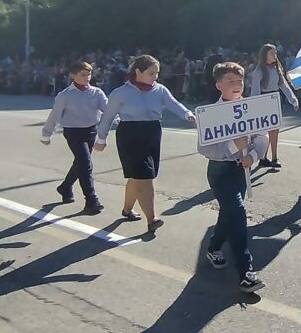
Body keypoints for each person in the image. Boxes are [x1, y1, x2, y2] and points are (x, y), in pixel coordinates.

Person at [95, 55, 196, 234]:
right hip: (130, 135)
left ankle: (127, 210)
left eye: (157, 73)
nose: (155, 77)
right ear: (138, 72)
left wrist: (187, 115)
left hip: (152, 133)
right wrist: (101, 139)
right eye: (151, 73)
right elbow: (107, 117)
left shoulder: (160, 90)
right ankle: (152, 219)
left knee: (137, 177)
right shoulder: (120, 93)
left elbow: (174, 104)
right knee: (145, 177)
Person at [201, 62, 266, 293]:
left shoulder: (252, 108)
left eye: (239, 81)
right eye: (231, 81)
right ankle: (246, 272)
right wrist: (232, 144)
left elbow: (262, 136)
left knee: (229, 213)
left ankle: (214, 246)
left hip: (242, 170)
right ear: (219, 85)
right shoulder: (210, 114)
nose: (237, 85)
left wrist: (254, 155)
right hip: (220, 171)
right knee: (237, 213)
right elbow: (205, 148)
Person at [41, 61, 108, 214]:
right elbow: (55, 116)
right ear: (73, 75)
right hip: (73, 133)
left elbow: (107, 109)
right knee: (86, 163)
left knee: (80, 163)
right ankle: (91, 200)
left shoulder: (96, 92)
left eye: (89, 74)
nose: (87, 78)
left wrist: (120, 118)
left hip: (91, 131)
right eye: (83, 75)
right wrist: (47, 133)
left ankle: (65, 187)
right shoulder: (65, 95)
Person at [249, 44, 299, 169]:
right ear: (265, 54)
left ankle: (275, 157)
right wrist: (254, 106)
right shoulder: (259, 71)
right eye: (272, 53)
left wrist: (293, 99)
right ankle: (263, 157)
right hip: (263, 100)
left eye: (275, 53)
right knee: (264, 131)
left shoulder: (277, 68)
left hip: (275, 99)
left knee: (274, 130)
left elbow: (283, 85)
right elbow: (255, 90)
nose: (275, 55)